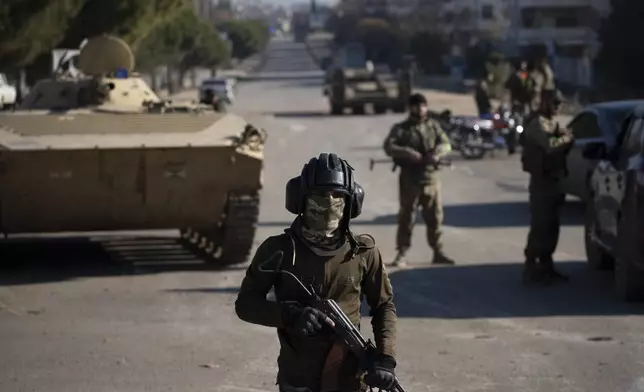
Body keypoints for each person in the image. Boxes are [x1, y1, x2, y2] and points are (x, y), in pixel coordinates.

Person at [235, 153, 398, 392]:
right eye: (319, 196)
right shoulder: (278, 250)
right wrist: (290, 314)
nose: (329, 202)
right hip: (299, 380)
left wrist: (385, 359)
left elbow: (384, 306)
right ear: (300, 200)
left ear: (352, 202)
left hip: (351, 377)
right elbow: (246, 305)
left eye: (337, 196)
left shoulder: (364, 252)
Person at [383, 93, 455, 267]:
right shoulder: (401, 129)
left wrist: (436, 153)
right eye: (417, 106)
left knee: (435, 217)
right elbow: (389, 146)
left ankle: (438, 251)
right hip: (410, 179)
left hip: (431, 179)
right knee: (407, 217)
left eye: (423, 105)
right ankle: (402, 252)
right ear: (411, 108)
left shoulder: (433, 126)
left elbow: (447, 144)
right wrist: (407, 153)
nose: (421, 109)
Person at [521, 91, 573, 285]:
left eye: (560, 104)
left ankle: (546, 266)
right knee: (540, 225)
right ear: (545, 103)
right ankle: (531, 267)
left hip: (554, 180)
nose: (558, 107)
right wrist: (567, 138)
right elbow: (550, 144)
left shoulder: (552, 123)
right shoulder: (537, 123)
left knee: (552, 226)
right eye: (555, 103)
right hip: (542, 182)